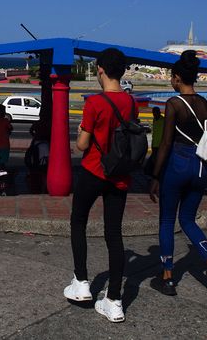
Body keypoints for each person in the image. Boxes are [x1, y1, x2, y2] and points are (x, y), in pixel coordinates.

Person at [148, 50, 207, 302]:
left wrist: (154, 175)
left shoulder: (174, 104)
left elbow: (165, 144)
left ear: (176, 78)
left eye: (172, 78)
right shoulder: (204, 104)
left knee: (166, 221)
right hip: (199, 168)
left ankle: (167, 278)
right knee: (188, 221)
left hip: (177, 164)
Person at [64, 47, 135, 323]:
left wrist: (81, 132)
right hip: (119, 176)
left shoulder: (94, 103)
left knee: (78, 220)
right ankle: (114, 301)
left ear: (101, 71)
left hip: (94, 171)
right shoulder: (130, 102)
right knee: (114, 235)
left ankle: (81, 282)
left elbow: (82, 144)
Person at [0, 104, 13, 170]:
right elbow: (11, 128)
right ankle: (1, 174)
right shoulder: (5, 121)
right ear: (1, 112)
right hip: (4, 144)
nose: (5, 112)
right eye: (4, 111)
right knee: (2, 162)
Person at [147, 106, 164, 172]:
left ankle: (155, 172)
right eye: (153, 113)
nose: (154, 114)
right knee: (154, 159)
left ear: (159, 112)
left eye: (156, 112)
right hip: (154, 144)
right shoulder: (154, 120)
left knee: (157, 159)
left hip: (161, 144)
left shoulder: (163, 120)